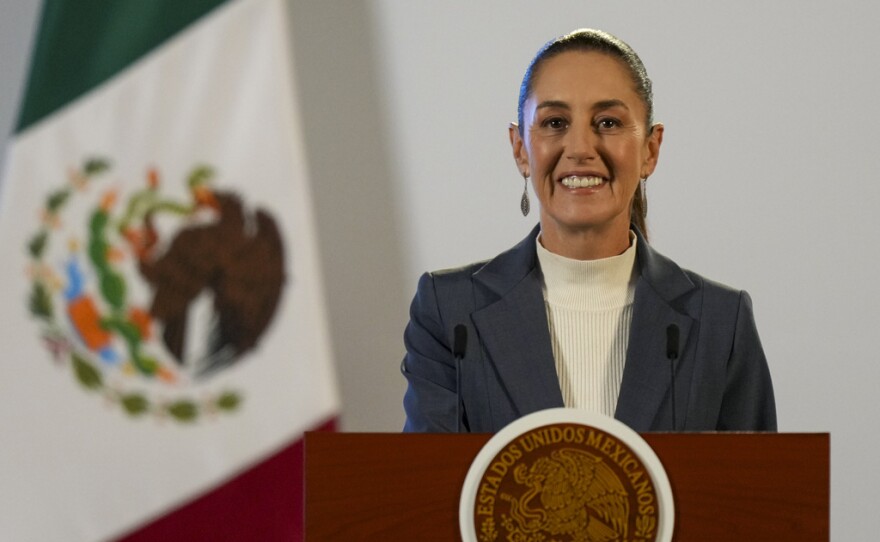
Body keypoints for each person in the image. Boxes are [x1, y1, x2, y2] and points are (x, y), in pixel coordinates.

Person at [400, 28, 776, 433]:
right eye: (555, 122)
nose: (580, 148)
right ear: (521, 149)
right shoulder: (450, 313)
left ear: (650, 149)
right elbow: (431, 491)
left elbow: (754, 492)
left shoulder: (720, 322)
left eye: (608, 122)